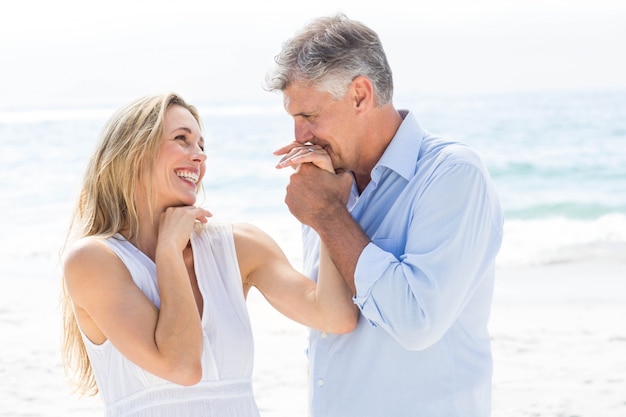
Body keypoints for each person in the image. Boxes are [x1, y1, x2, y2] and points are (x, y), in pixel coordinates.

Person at [60, 93, 358, 417]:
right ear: (134, 154)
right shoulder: (93, 261)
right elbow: (183, 367)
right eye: (182, 140)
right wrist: (169, 252)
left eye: (202, 146)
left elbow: (334, 317)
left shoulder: (238, 244)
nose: (198, 156)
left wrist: (328, 206)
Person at [266, 13, 504, 417]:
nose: (299, 137)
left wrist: (327, 215)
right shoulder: (330, 185)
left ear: (360, 94)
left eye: (308, 117)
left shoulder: (453, 175)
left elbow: (416, 321)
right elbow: (331, 328)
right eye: (293, 120)